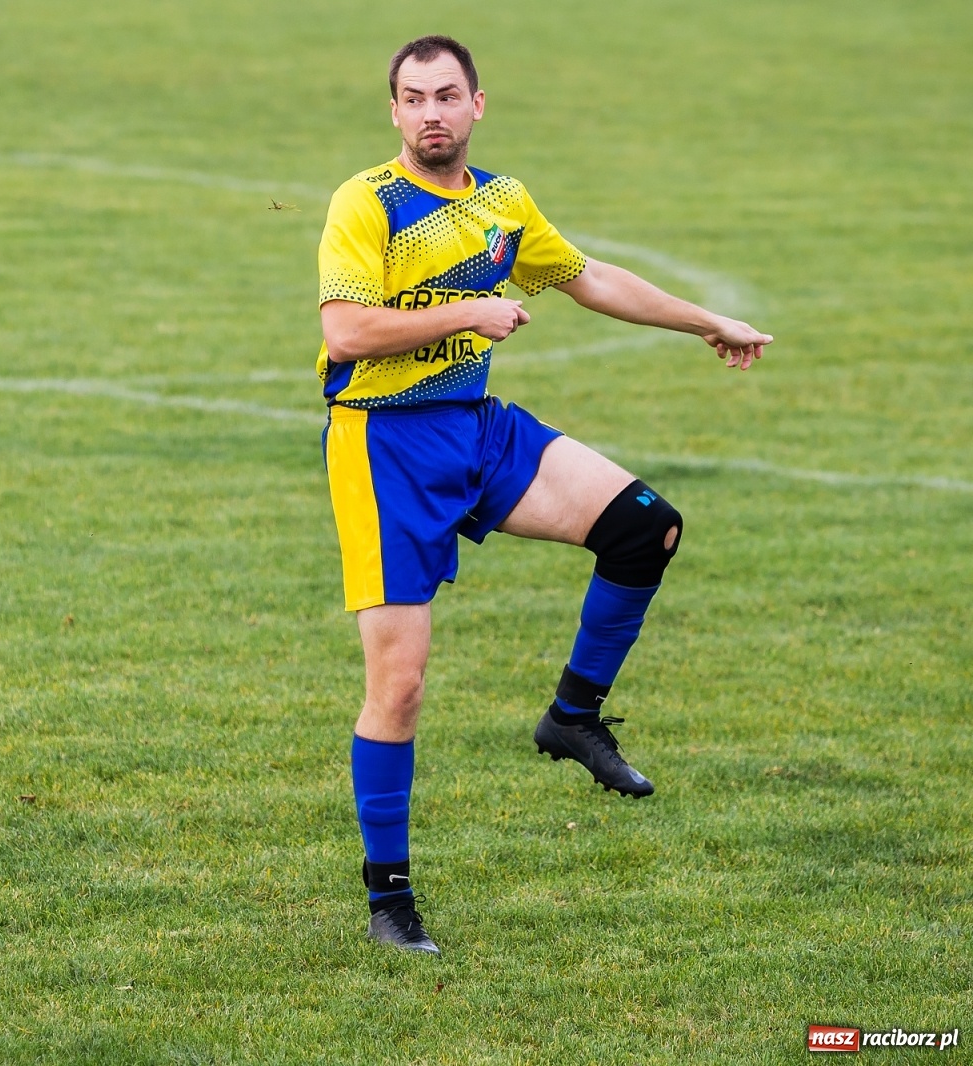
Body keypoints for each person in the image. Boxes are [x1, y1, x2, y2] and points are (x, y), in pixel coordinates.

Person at [318, 34, 772, 956]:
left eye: (448, 95)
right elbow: (347, 331)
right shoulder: (367, 202)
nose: (432, 113)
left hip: (478, 428)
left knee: (647, 529)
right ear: (394, 112)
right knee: (398, 690)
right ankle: (388, 899)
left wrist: (705, 320)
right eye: (414, 98)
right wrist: (470, 312)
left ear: (478, 104)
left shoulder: (502, 202)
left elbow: (588, 276)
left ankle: (572, 717)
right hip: (383, 449)